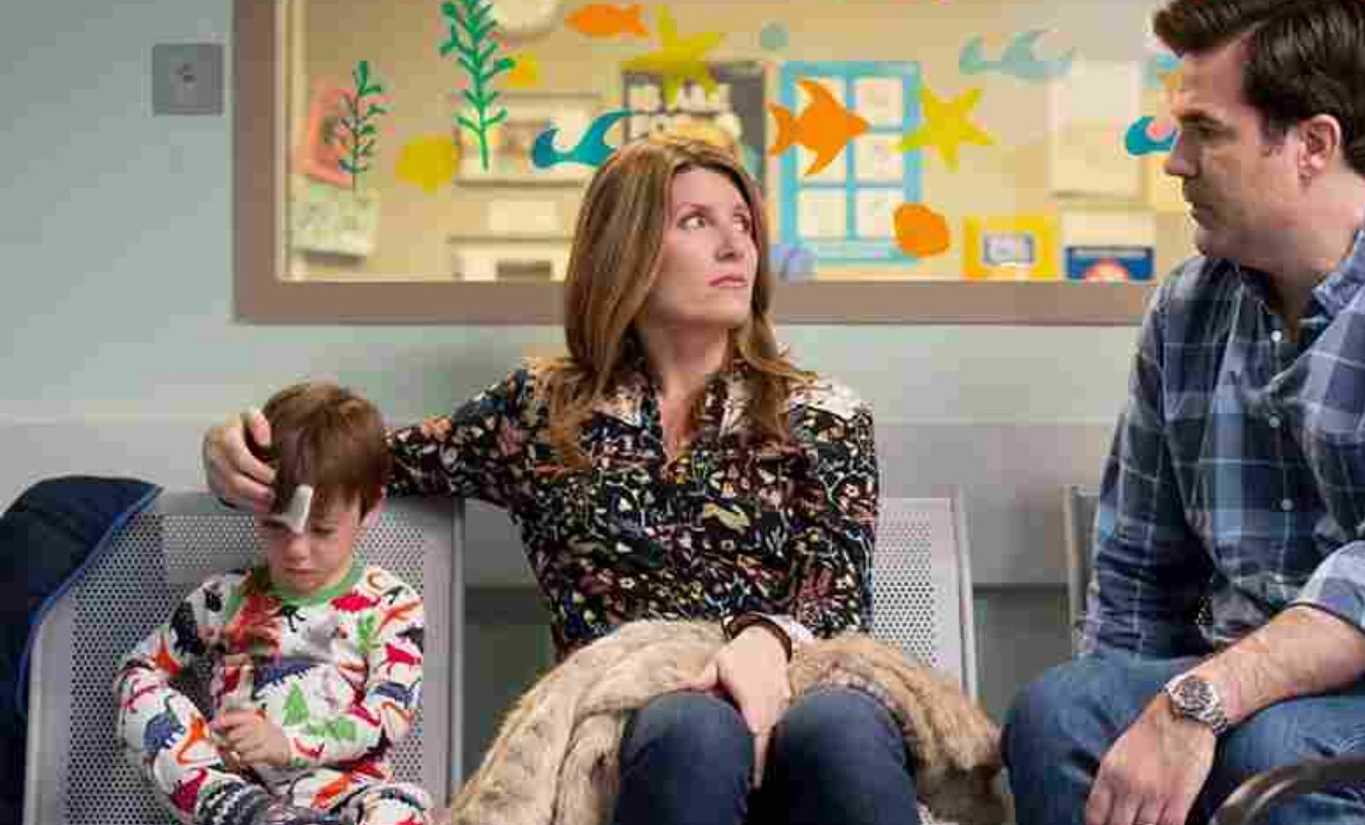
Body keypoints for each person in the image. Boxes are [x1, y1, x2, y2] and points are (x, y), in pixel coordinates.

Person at [203, 135, 912, 825]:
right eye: (696, 222)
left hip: (797, 687)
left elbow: (837, 597)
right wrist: (234, 456)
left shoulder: (824, 416)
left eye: (742, 224)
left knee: (844, 727)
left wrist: (760, 643)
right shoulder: (544, 414)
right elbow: (357, 464)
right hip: (630, 720)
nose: (736, 247)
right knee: (694, 730)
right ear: (625, 251)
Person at [1002, 2, 1365, 825]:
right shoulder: (1185, 312)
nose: (1175, 163)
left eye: (1205, 131)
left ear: (1312, 143)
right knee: (1060, 713)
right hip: (1251, 685)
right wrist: (1132, 722)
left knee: (1278, 751)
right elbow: (1141, 570)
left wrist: (1196, 702)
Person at [118, 382, 429, 825]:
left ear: (370, 508)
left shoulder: (391, 604)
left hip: (343, 800)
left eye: (321, 530)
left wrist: (287, 743)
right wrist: (204, 743)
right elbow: (140, 668)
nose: (297, 550)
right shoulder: (221, 598)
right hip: (235, 794)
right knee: (137, 694)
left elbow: (387, 716)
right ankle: (246, 811)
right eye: (275, 525)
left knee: (402, 808)